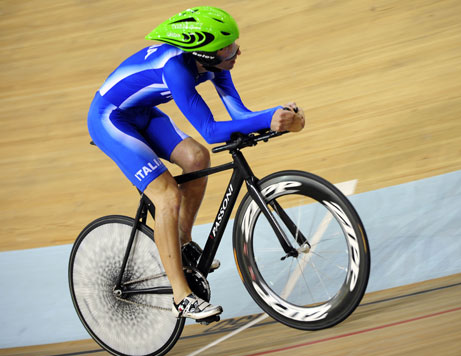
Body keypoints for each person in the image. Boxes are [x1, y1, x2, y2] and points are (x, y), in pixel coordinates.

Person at [87, 6, 305, 321]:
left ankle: (183, 242)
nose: (237, 51)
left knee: (197, 157)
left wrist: (276, 114)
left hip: (143, 114)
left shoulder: (216, 64)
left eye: (234, 42)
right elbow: (211, 130)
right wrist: (271, 119)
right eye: (228, 48)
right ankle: (181, 296)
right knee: (167, 195)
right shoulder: (177, 70)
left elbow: (240, 116)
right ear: (202, 54)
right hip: (111, 119)